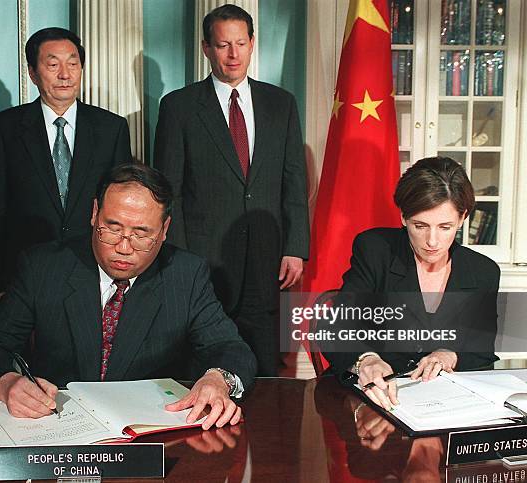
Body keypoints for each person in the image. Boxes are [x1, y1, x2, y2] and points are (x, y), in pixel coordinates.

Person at [0, 164, 257, 430]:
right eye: (112, 229)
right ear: (94, 214)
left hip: (151, 438)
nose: (124, 247)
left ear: (164, 230)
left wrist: (219, 378)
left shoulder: (186, 275)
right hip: (57, 428)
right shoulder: (44, 267)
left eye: (142, 234)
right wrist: (6, 382)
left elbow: (229, 347)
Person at [154, 4, 309, 376]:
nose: (234, 54)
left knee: (266, 374)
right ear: (207, 48)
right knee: (203, 371)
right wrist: (179, 261)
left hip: (266, 261)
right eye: (224, 45)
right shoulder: (178, 107)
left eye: (241, 43)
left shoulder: (281, 103)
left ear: (253, 43)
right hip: (203, 264)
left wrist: (295, 248)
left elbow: (293, 181)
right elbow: (168, 191)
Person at [0, 27, 133, 312]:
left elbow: (122, 210)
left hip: (94, 272)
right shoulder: (5, 128)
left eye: (73, 64)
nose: (65, 74)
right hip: (25, 275)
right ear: (33, 73)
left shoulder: (111, 128)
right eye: (53, 65)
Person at [326, 156, 500, 410]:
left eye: (445, 227)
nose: (432, 241)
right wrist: (366, 359)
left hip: (443, 406)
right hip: (372, 399)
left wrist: (450, 355)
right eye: (420, 225)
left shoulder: (483, 271)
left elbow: (482, 350)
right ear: (403, 217)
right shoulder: (375, 250)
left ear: (462, 218)